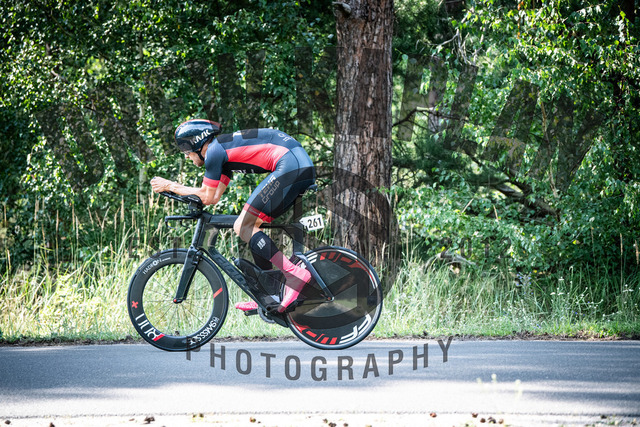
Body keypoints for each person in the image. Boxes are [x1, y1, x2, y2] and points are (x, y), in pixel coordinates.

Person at [150, 119, 315, 313]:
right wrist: (177, 191)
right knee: (251, 226)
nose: (187, 157)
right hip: (295, 164)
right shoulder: (222, 154)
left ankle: (294, 274)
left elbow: (206, 195)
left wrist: (170, 186)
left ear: (196, 144)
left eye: (186, 151)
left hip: (291, 165)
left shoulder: (214, 151)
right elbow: (213, 198)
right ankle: (267, 295)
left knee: (243, 225)